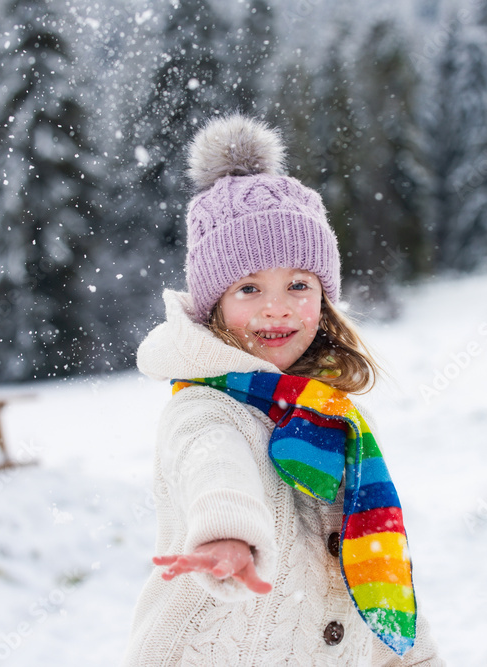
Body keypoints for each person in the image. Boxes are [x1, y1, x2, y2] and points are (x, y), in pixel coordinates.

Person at [124, 116, 444, 665]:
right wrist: (225, 534)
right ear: (214, 305)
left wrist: (412, 657)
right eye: (249, 288)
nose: (277, 307)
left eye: (299, 284)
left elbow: (365, 561)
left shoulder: (326, 414)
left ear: (324, 298)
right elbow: (214, 463)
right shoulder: (204, 406)